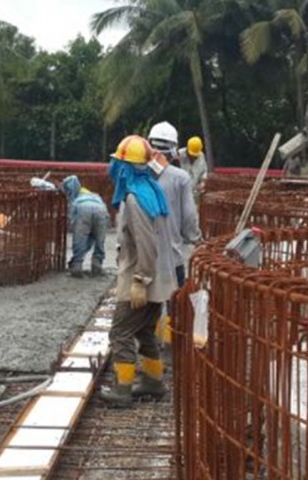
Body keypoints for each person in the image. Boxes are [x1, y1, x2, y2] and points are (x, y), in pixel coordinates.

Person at [99, 135, 176, 408]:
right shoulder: (152, 190)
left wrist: (140, 281)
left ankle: (122, 390)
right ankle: (154, 382)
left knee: (120, 332)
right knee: (144, 330)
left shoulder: (134, 198)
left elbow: (147, 242)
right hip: (160, 279)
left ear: (126, 168)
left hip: (142, 277)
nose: (113, 169)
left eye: (118, 164)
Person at [147, 122, 203, 347]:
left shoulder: (136, 174)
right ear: (174, 149)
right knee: (173, 300)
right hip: (172, 253)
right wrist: (194, 237)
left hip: (142, 254)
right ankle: (169, 341)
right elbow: (189, 217)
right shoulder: (180, 178)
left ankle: (147, 345)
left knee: (145, 300)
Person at [61, 175, 110, 277]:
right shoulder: (92, 194)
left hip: (83, 209)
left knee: (80, 239)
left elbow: (73, 221)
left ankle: (77, 267)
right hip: (101, 209)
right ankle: (97, 265)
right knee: (99, 240)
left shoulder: (75, 199)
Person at [177, 136, 209, 203]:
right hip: (179, 197)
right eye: (192, 155)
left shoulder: (201, 156)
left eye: (195, 156)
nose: (193, 157)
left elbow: (204, 172)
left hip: (195, 197)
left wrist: (202, 183)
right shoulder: (178, 156)